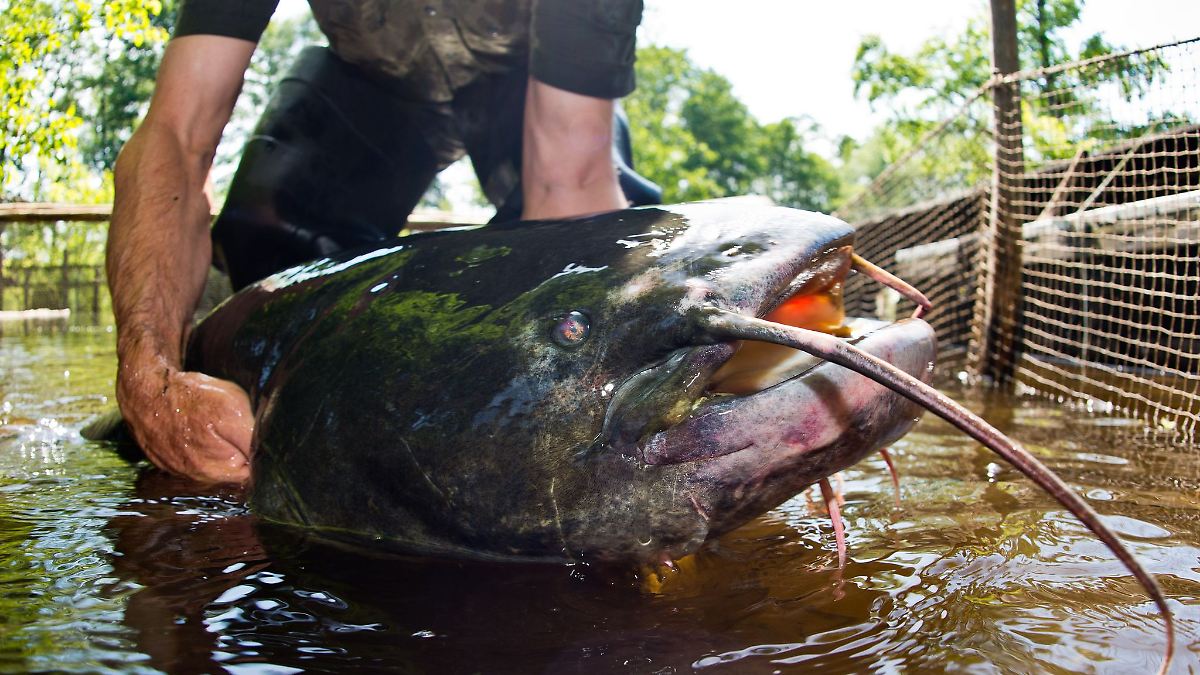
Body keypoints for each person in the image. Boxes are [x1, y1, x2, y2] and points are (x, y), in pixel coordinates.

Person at [105, 0, 659, 484]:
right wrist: (147, 376)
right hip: (367, 87)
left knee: (589, 277)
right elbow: (176, 136)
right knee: (261, 251)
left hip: (529, 88)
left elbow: (567, 181)